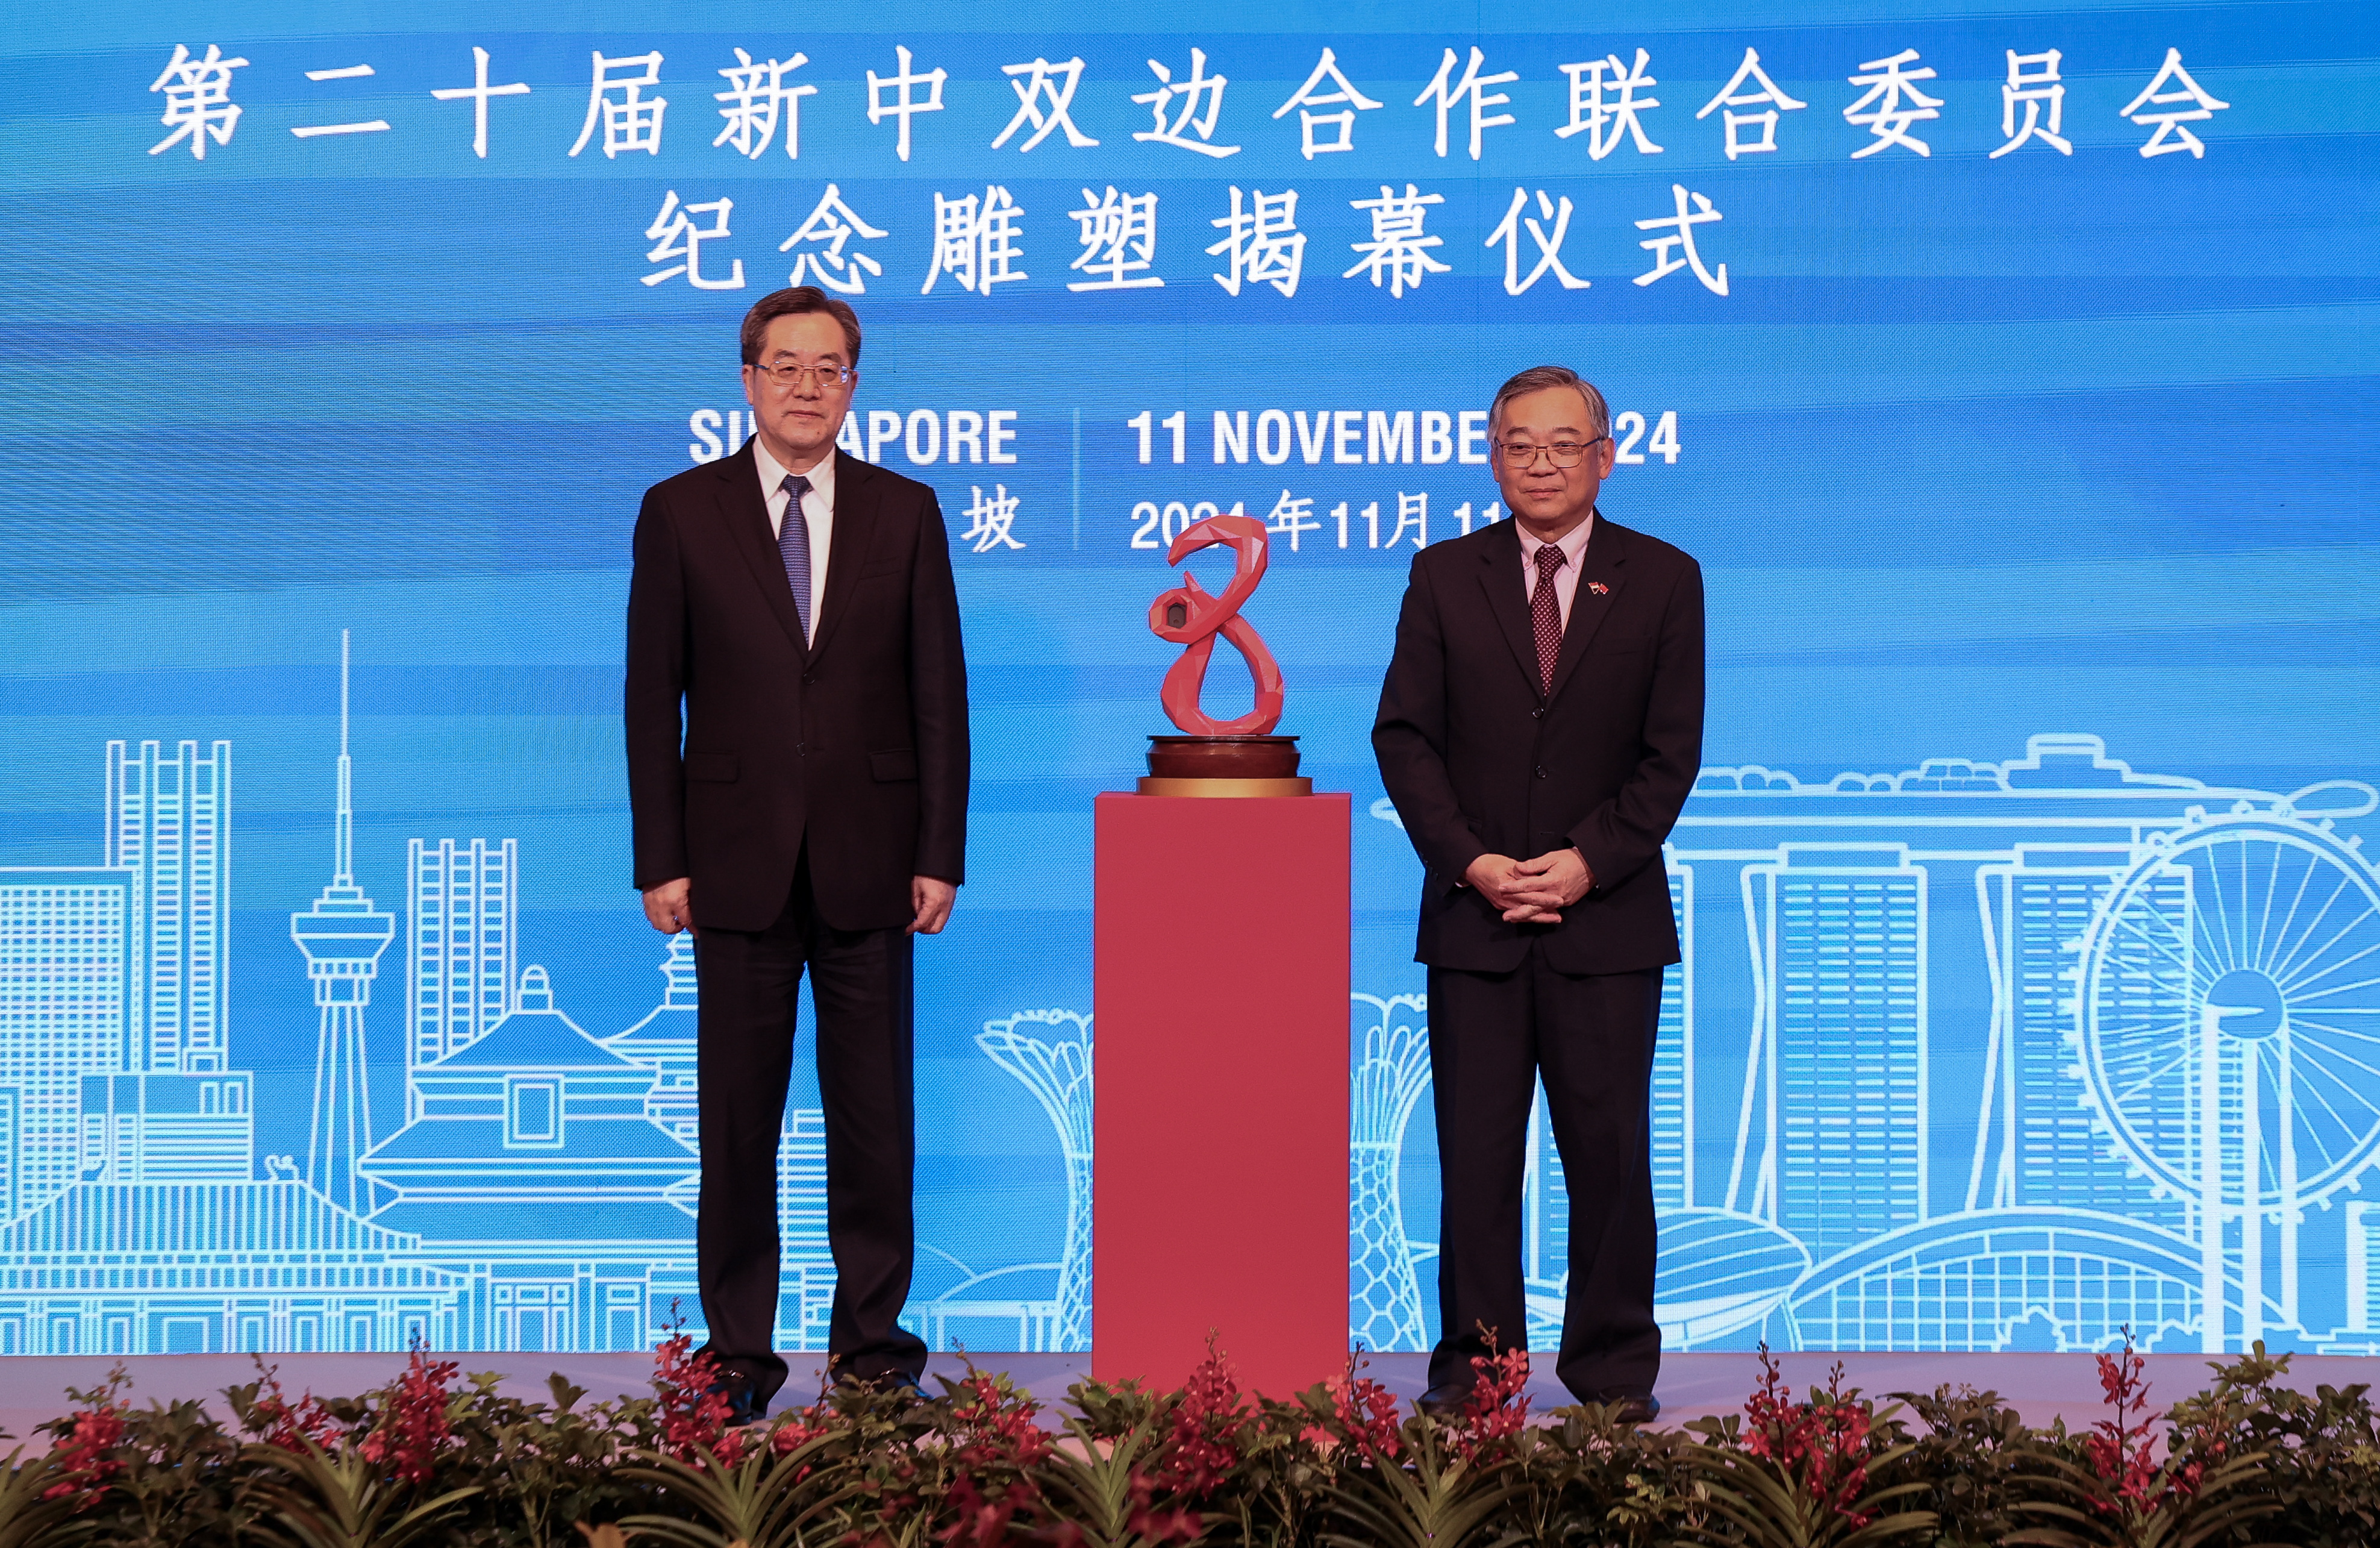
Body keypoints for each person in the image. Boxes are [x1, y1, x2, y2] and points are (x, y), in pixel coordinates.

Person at [625, 286, 969, 1422]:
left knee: (875, 1125)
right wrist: (659, 858)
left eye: (830, 369)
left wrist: (941, 851)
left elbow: (939, 700)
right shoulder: (680, 511)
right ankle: (735, 1363)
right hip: (731, 862)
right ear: (748, 379)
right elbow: (648, 701)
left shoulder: (905, 512)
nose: (807, 386)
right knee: (738, 1125)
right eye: (786, 366)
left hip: (875, 864)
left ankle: (874, 1355)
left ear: (854, 386)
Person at [1372, 365, 1704, 1422]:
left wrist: (1584, 860)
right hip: (1475, 916)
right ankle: (1478, 1374)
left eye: (1567, 444)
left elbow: (1670, 755)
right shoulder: (1442, 574)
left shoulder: (1662, 578)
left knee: (1607, 1158)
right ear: (1493, 454)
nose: (1544, 462)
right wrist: (1470, 860)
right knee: (1476, 1160)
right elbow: (1405, 738)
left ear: (1607, 455)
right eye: (1522, 444)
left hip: (1604, 919)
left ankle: (1610, 1374)